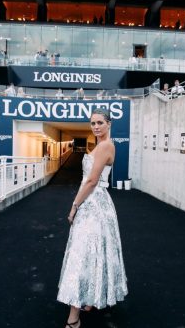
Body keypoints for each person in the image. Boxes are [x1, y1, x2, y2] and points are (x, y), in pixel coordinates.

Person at [57, 108, 128, 328]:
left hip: (94, 205)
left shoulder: (106, 146)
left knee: (81, 256)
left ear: (109, 123)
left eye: (99, 122)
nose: (95, 126)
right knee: (92, 253)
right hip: (97, 203)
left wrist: (74, 206)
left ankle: (73, 319)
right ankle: (89, 299)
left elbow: (91, 181)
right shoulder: (104, 145)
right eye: (92, 123)